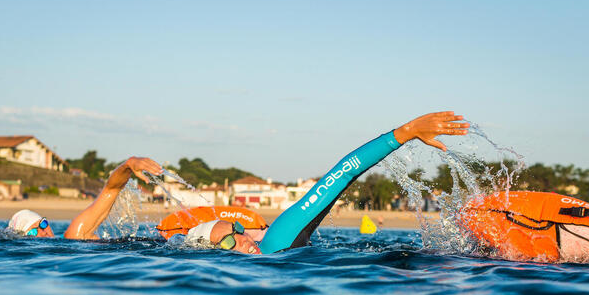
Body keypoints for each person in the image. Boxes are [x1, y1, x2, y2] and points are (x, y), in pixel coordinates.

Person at [184, 111, 469, 254]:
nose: (243, 239)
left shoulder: (278, 238)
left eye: (238, 229)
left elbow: (340, 175)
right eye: (228, 241)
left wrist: (405, 132)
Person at [6, 156, 163, 239]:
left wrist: (128, 165)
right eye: (33, 233)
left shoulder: (74, 234)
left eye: (42, 224)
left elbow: (110, 189)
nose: (43, 232)